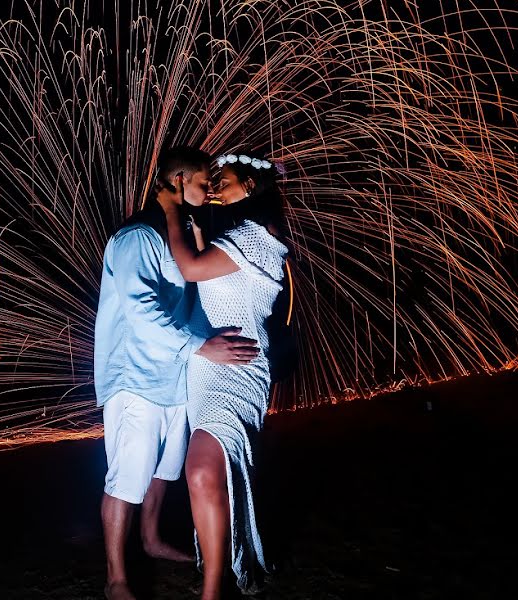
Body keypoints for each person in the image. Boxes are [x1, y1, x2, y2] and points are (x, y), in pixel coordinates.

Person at [93, 146, 261, 600]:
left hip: (176, 377)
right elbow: (141, 309)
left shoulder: (181, 231)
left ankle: (150, 540)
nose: (209, 193)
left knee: (164, 469)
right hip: (136, 377)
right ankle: (116, 579)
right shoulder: (136, 238)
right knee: (128, 474)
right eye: (204, 184)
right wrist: (202, 346)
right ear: (178, 180)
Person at [157, 150, 289, 598]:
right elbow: (203, 266)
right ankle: (216, 578)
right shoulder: (239, 233)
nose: (214, 186)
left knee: (200, 470)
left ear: (249, 186)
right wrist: (194, 223)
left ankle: (214, 588)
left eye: (224, 179)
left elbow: (191, 268)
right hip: (211, 365)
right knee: (207, 472)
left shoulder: (255, 235)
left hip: (238, 366)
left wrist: (172, 211)